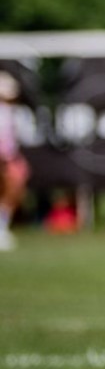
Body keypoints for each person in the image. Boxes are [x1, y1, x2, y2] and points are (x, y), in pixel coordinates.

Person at [0, 71, 30, 252]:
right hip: (4, 159)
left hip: (9, 158)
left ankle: (2, 226)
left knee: (14, 191)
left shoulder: (9, 112)